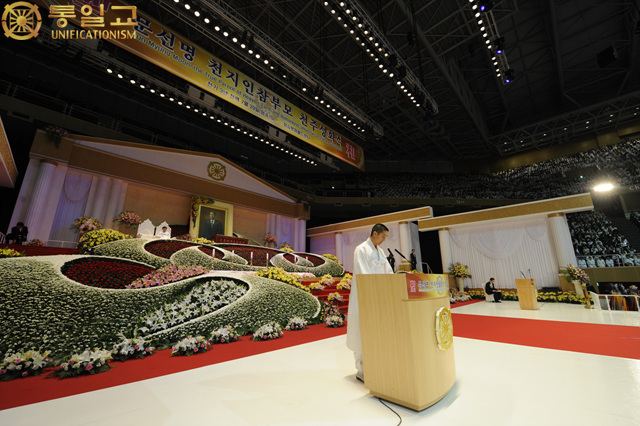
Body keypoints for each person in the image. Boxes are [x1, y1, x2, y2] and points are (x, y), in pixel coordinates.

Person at [347, 223, 393, 383]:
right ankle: (362, 371)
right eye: (383, 236)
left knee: (376, 332)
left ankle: (376, 366)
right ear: (375, 233)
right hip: (365, 296)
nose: (384, 240)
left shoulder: (380, 251)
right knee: (361, 331)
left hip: (379, 298)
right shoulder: (361, 249)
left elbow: (388, 271)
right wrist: (375, 291)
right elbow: (364, 274)